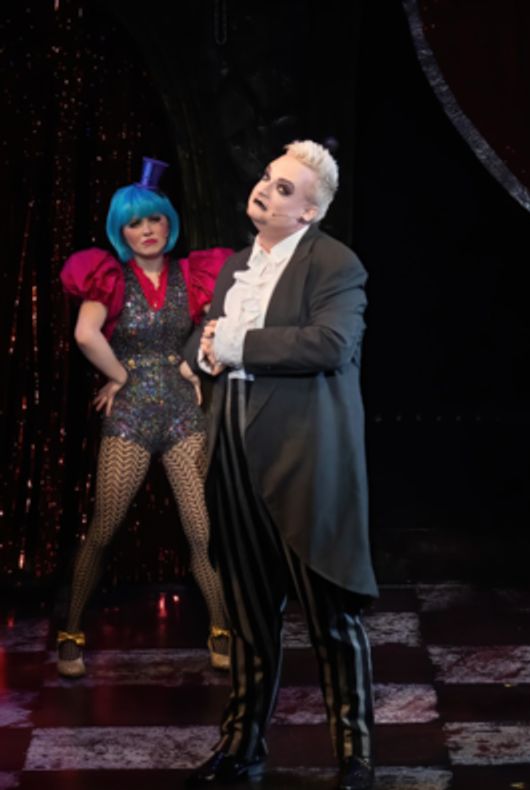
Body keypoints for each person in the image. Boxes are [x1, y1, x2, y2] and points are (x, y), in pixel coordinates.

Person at [183, 140, 376, 790]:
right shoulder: (237, 264)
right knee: (247, 616)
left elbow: (330, 342)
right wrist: (207, 349)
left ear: (310, 211)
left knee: (329, 619)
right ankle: (240, 748)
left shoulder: (334, 264)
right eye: (268, 178)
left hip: (302, 465)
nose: (268, 189)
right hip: (233, 458)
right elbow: (204, 335)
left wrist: (235, 343)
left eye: (286, 188)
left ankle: (354, 757)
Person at [57, 158, 232, 678]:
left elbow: (221, 319)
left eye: (154, 220)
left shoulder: (192, 273)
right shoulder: (108, 277)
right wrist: (122, 376)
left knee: (202, 531)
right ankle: (71, 631)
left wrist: (195, 358)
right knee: (105, 528)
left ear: (168, 223)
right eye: (135, 223)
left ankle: (220, 626)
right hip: (131, 417)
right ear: (121, 231)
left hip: (182, 412)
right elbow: (86, 335)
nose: (146, 230)